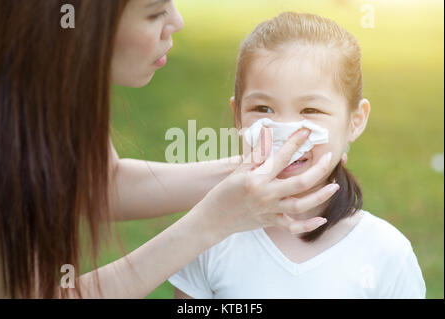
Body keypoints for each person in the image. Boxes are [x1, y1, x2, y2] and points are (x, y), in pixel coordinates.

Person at [0, 1, 341, 298]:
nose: (177, 21)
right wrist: (210, 223)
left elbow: (97, 184)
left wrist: (261, 168)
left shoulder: (48, 83)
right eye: (155, 12)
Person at [169, 12, 426, 299]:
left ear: (355, 121)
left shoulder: (386, 253)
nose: (286, 132)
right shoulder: (210, 237)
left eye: (311, 110)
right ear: (238, 117)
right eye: (264, 109)